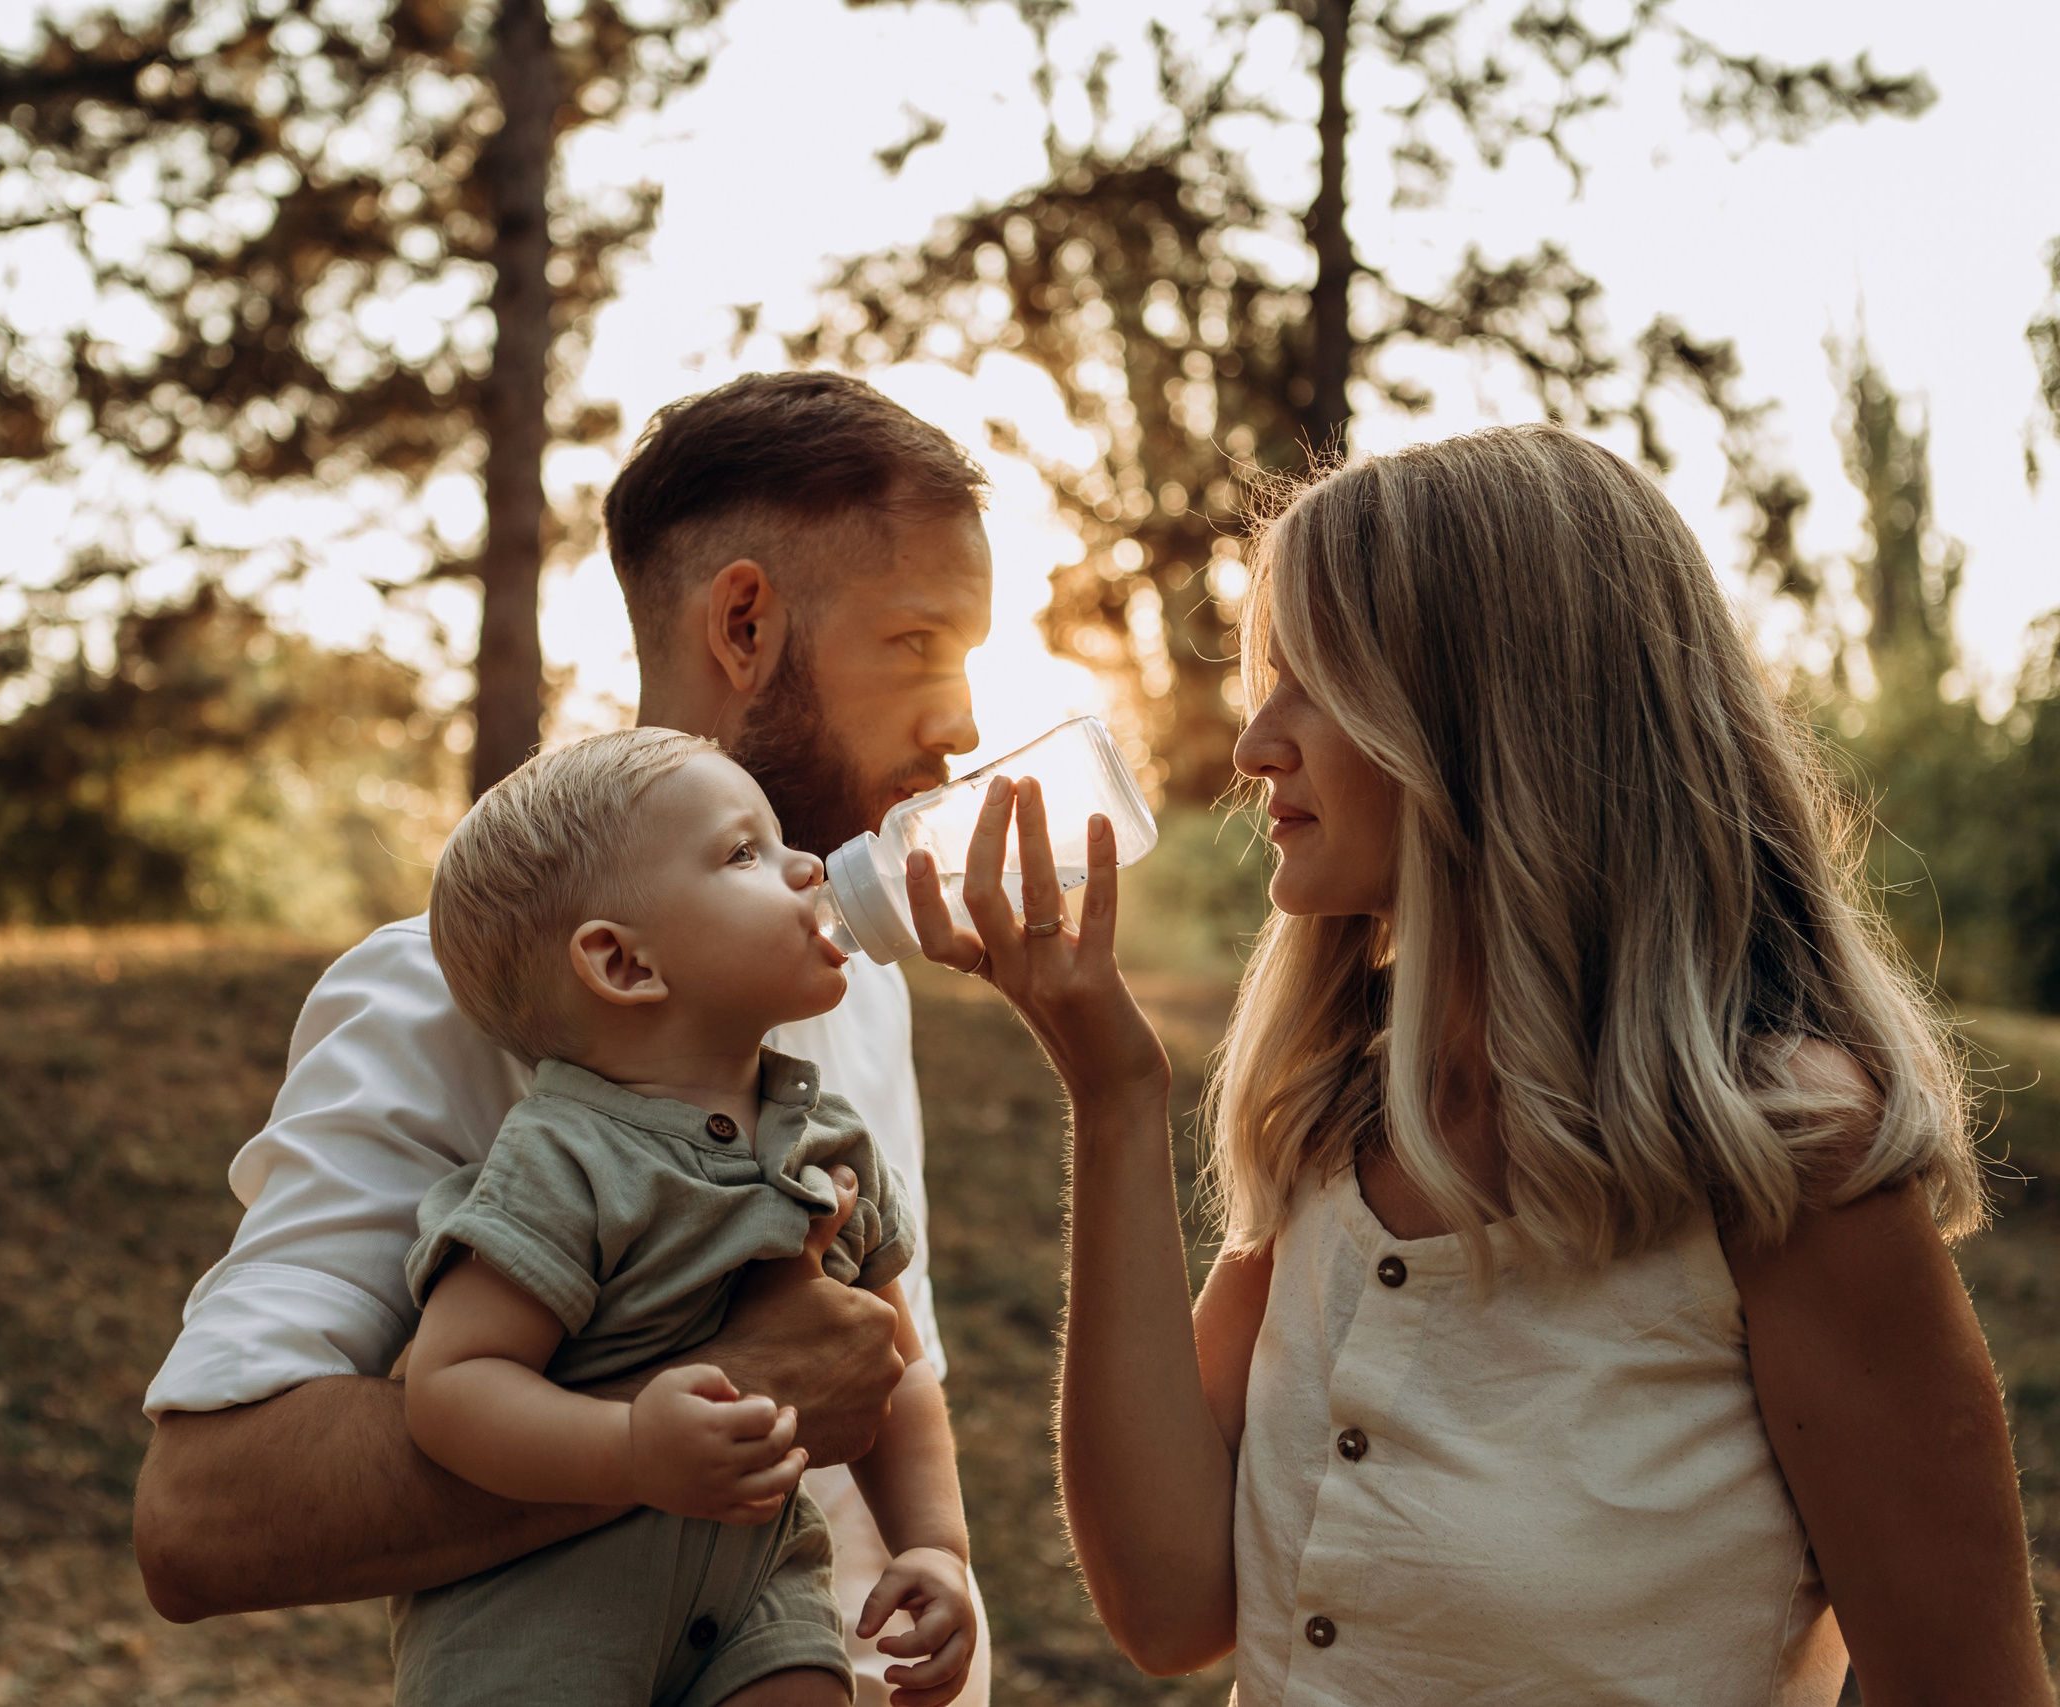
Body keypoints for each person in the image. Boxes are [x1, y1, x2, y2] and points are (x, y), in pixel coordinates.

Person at [901, 426, 2046, 1702]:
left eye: (1316, 684)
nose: (1252, 746)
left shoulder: (1785, 1158)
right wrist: (1112, 1096)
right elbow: (1170, 1604)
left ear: (1495, 719)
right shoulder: (1345, 1114)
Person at [133, 371, 1000, 1706]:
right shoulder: (439, 995)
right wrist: (711, 1394)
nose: (963, 720)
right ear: (746, 621)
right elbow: (199, 1516)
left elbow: (876, 1376)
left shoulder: (844, 979)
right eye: (917, 642)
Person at [396, 728, 974, 1706]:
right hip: (540, 1629)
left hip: (756, 1600)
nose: (805, 865)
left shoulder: (830, 1145)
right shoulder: (563, 1158)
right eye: (744, 852)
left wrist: (936, 1545)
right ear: (624, 964)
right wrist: (628, 1449)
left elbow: (894, 1365)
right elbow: (451, 1384)